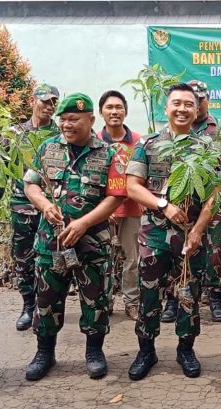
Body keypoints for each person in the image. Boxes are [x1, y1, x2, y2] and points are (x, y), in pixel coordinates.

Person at [23, 93, 127, 381]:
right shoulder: (47, 148)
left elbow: (115, 197)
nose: (67, 125)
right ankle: (45, 352)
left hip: (93, 244)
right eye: (64, 119)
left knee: (96, 301)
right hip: (50, 242)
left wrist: (83, 223)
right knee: (46, 300)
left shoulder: (110, 154)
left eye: (74, 120)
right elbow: (30, 185)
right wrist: (44, 205)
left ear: (91, 120)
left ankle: (94, 351)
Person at [125, 83, 214, 380]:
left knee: (189, 292)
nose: (182, 109)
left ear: (197, 108)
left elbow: (214, 194)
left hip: (190, 236)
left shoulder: (205, 148)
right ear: (166, 107)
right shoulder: (149, 143)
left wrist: (198, 230)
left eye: (189, 104)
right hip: (154, 234)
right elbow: (132, 187)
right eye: (176, 103)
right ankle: (145, 350)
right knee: (149, 293)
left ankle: (185, 349)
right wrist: (164, 205)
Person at [8, 83, 60, 331]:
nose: (48, 107)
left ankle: (45, 306)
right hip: (20, 205)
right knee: (23, 259)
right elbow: (2, 171)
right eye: (44, 101)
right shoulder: (15, 133)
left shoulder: (59, 135)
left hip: (50, 206)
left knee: (50, 259)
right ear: (33, 100)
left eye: (53, 103)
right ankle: (28, 306)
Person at [189, 79, 221, 322]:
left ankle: (216, 297)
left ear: (207, 99)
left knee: (215, 249)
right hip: (186, 200)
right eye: (192, 99)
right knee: (183, 248)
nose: (196, 104)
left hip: (216, 199)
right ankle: (178, 297)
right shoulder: (178, 127)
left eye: (200, 99)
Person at [96, 90, 142, 321]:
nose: (114, 112)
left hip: (132, 209)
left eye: (119, 107)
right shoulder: (93, 141)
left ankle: (131, 302)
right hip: (100, 211)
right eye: (109, 107)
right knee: (102, 258)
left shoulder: (137, 140)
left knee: (131, 258)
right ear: (101, 112)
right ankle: (104, 302)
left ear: (125, 111)